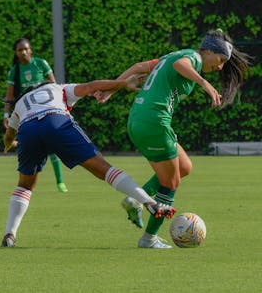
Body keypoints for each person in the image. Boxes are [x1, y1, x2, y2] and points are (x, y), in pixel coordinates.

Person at [98, 29, 251, 248]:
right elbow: (181, 65)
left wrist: (113, 88)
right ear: (208, 51)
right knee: (171, 182)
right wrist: (204, 83)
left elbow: (140, 67)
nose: (219, 67)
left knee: (185, 166)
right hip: (154, 122)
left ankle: (135, 199)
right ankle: (148, 239)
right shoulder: (193, 58)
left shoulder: (172, 56)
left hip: (140, 119)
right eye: (220, 60)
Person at [1, 77, 176, 247]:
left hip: (28, 129)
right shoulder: (58, 88)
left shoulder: (20, 103)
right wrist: (122, 83)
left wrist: (9, 146)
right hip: (56, 121)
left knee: (24, 186)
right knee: (105, 170)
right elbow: (91, 86)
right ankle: (149, 202)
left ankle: (10, 234)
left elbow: (10, 134)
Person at [3, 38, 68, 193]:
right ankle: (25, 177)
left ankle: (60, 182)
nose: (23, 52)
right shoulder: (15, 70)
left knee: (50, 143)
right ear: (16, 53)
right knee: (30, 142)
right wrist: (6, 114)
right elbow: (10, 95)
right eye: (20, 50)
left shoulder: (40, 64)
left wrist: (62, 106)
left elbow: (54, 86)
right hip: (25, 112)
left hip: (44, 109)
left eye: (26, 49)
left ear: (31, 50)